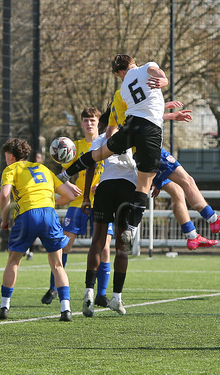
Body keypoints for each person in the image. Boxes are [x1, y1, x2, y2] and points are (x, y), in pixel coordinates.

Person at [58, 55, 220, 252]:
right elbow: (149, 100)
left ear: (119, 72)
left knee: (175, 190)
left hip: (133, 140)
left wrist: (167, 111)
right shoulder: (144, 69)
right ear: (130, 64)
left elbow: (134, 114)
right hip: (148, 142)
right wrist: (164, 81)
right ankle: (208, 222)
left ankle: (193, 234)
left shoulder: (123, 92)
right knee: (183, 182)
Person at [111, 88, 220, 248]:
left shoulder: (118, 103)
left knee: (177, 192)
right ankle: (213, 220)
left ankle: (192, 235)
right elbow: (143, 116)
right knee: (187, 180)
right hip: (151, 150)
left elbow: (137, 119)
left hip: (142, 152)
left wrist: (169, 114)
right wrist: (166, 108)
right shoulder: (126, 91)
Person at [41, 108, 113, 306]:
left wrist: (104, 183)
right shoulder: (75, 146)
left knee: (105, 247)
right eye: (85, 121)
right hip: (78, 202)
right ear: (81, 124)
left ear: (99, 123)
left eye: (92, 120)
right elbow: (63, 175)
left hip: (103, 201)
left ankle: (101, 294)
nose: (89, 124)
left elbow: (115, 169)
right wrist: (68, 184)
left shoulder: (108, 144)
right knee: (64, 244)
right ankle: (54, 288)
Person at [0, 138, 75, 322]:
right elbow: (70, 195)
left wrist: (4, 219)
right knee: (57, 264)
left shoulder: (11, 169)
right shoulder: (44, 169)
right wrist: (47, 203)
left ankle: (4, 306)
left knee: (13, 261)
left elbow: (4, 195)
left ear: (10, 156)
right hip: (49, 214)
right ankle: (66, 309)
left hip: (27, 215)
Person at [80, 109, 138, 317]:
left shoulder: (101, 140)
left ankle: (88, 292)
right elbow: (144, 161)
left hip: (105, 187)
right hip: (128, 189)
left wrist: (86, 197)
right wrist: (151, 184)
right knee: (122, 245)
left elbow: (89, 164)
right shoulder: (132, 135)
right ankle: (117, 298)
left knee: (97, 240)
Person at [25, 151, 45, 261]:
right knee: (29, 231)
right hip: (31, 206)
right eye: (36, 157)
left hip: (45, 207)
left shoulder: (46, 172)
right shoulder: (29, 172)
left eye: (39, 157)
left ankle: (30, 251)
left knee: (35, 232)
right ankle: (27, 250)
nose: (37, 159)